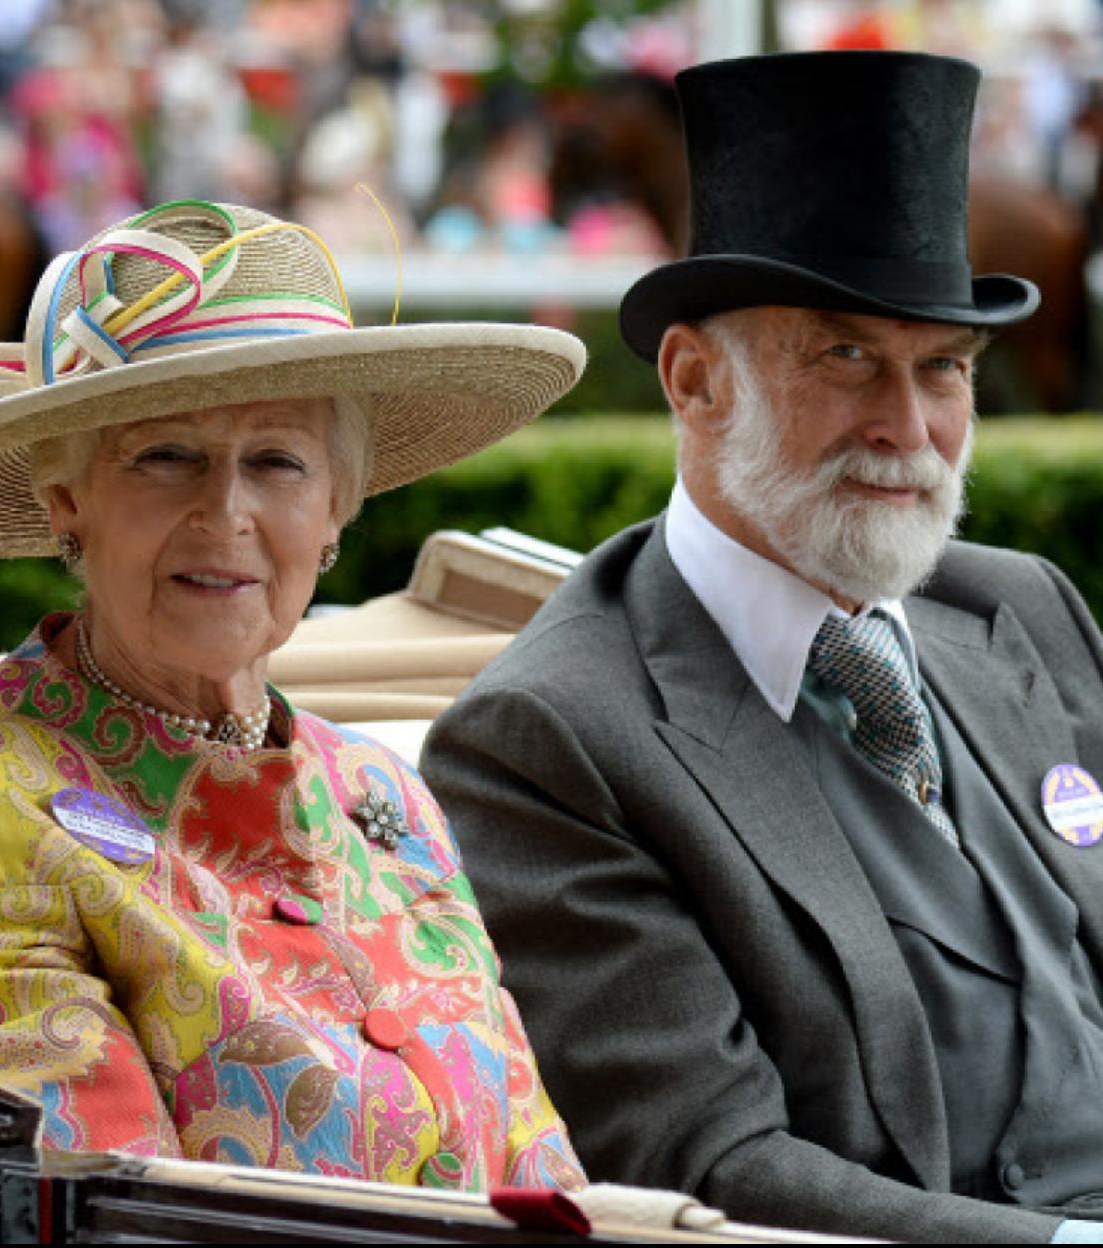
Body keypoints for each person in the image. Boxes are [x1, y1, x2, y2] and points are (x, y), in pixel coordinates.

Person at [421, 51, 1103, 1242]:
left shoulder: (1020, 609)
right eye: (845, 356)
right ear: (694, 381)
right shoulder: (550, 738)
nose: (908, 428)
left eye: (942, 367)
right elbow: (711, 1167)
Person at [0, 198, 586, 1191]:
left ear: (335, 510)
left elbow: (543, 1176)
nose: (227, 513)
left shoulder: (386, 795)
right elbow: (107, 1218)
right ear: (67, 495)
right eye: (168, 456)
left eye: (277, 462)